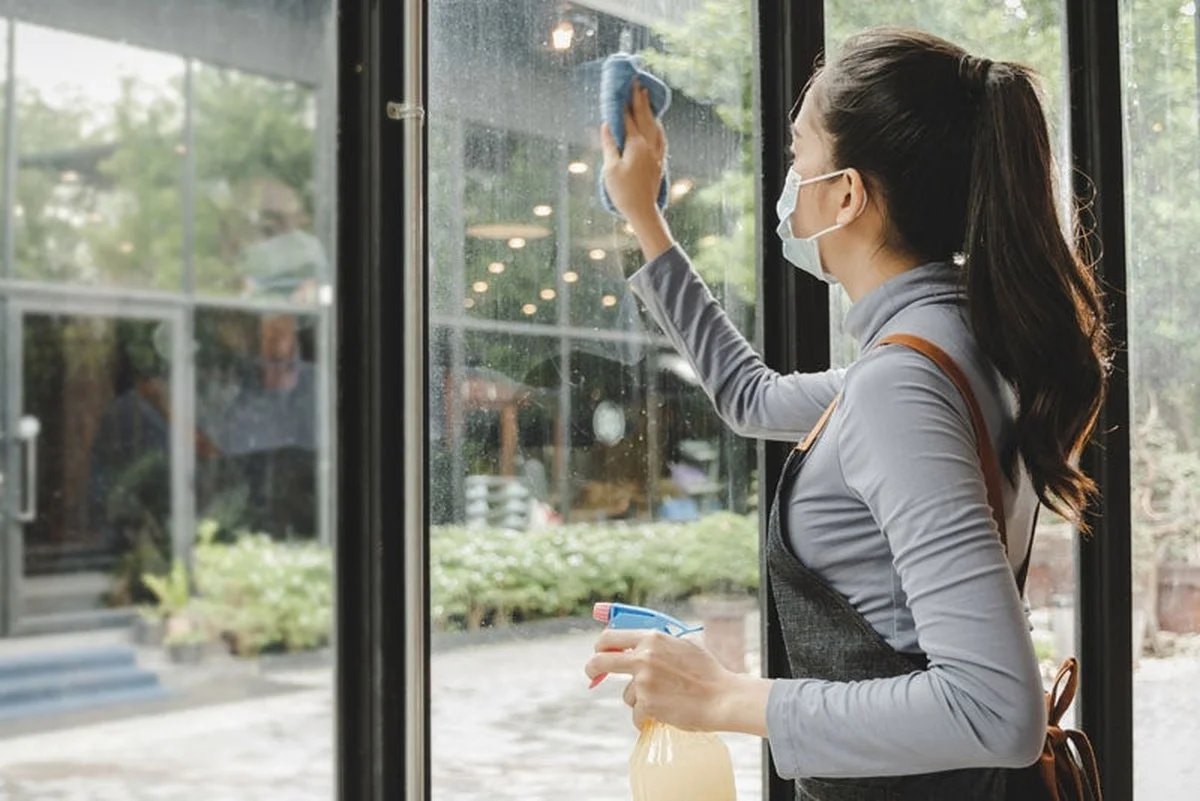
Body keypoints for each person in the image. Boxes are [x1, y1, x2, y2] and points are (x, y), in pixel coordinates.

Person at [583, 27, 1109, 799]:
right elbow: (750, 396)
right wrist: (646, 218)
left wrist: (723, 695)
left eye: (798, 155)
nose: (789, 180)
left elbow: (999, 708)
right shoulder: (958, 343)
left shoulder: (905, 381)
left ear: (848, 193)